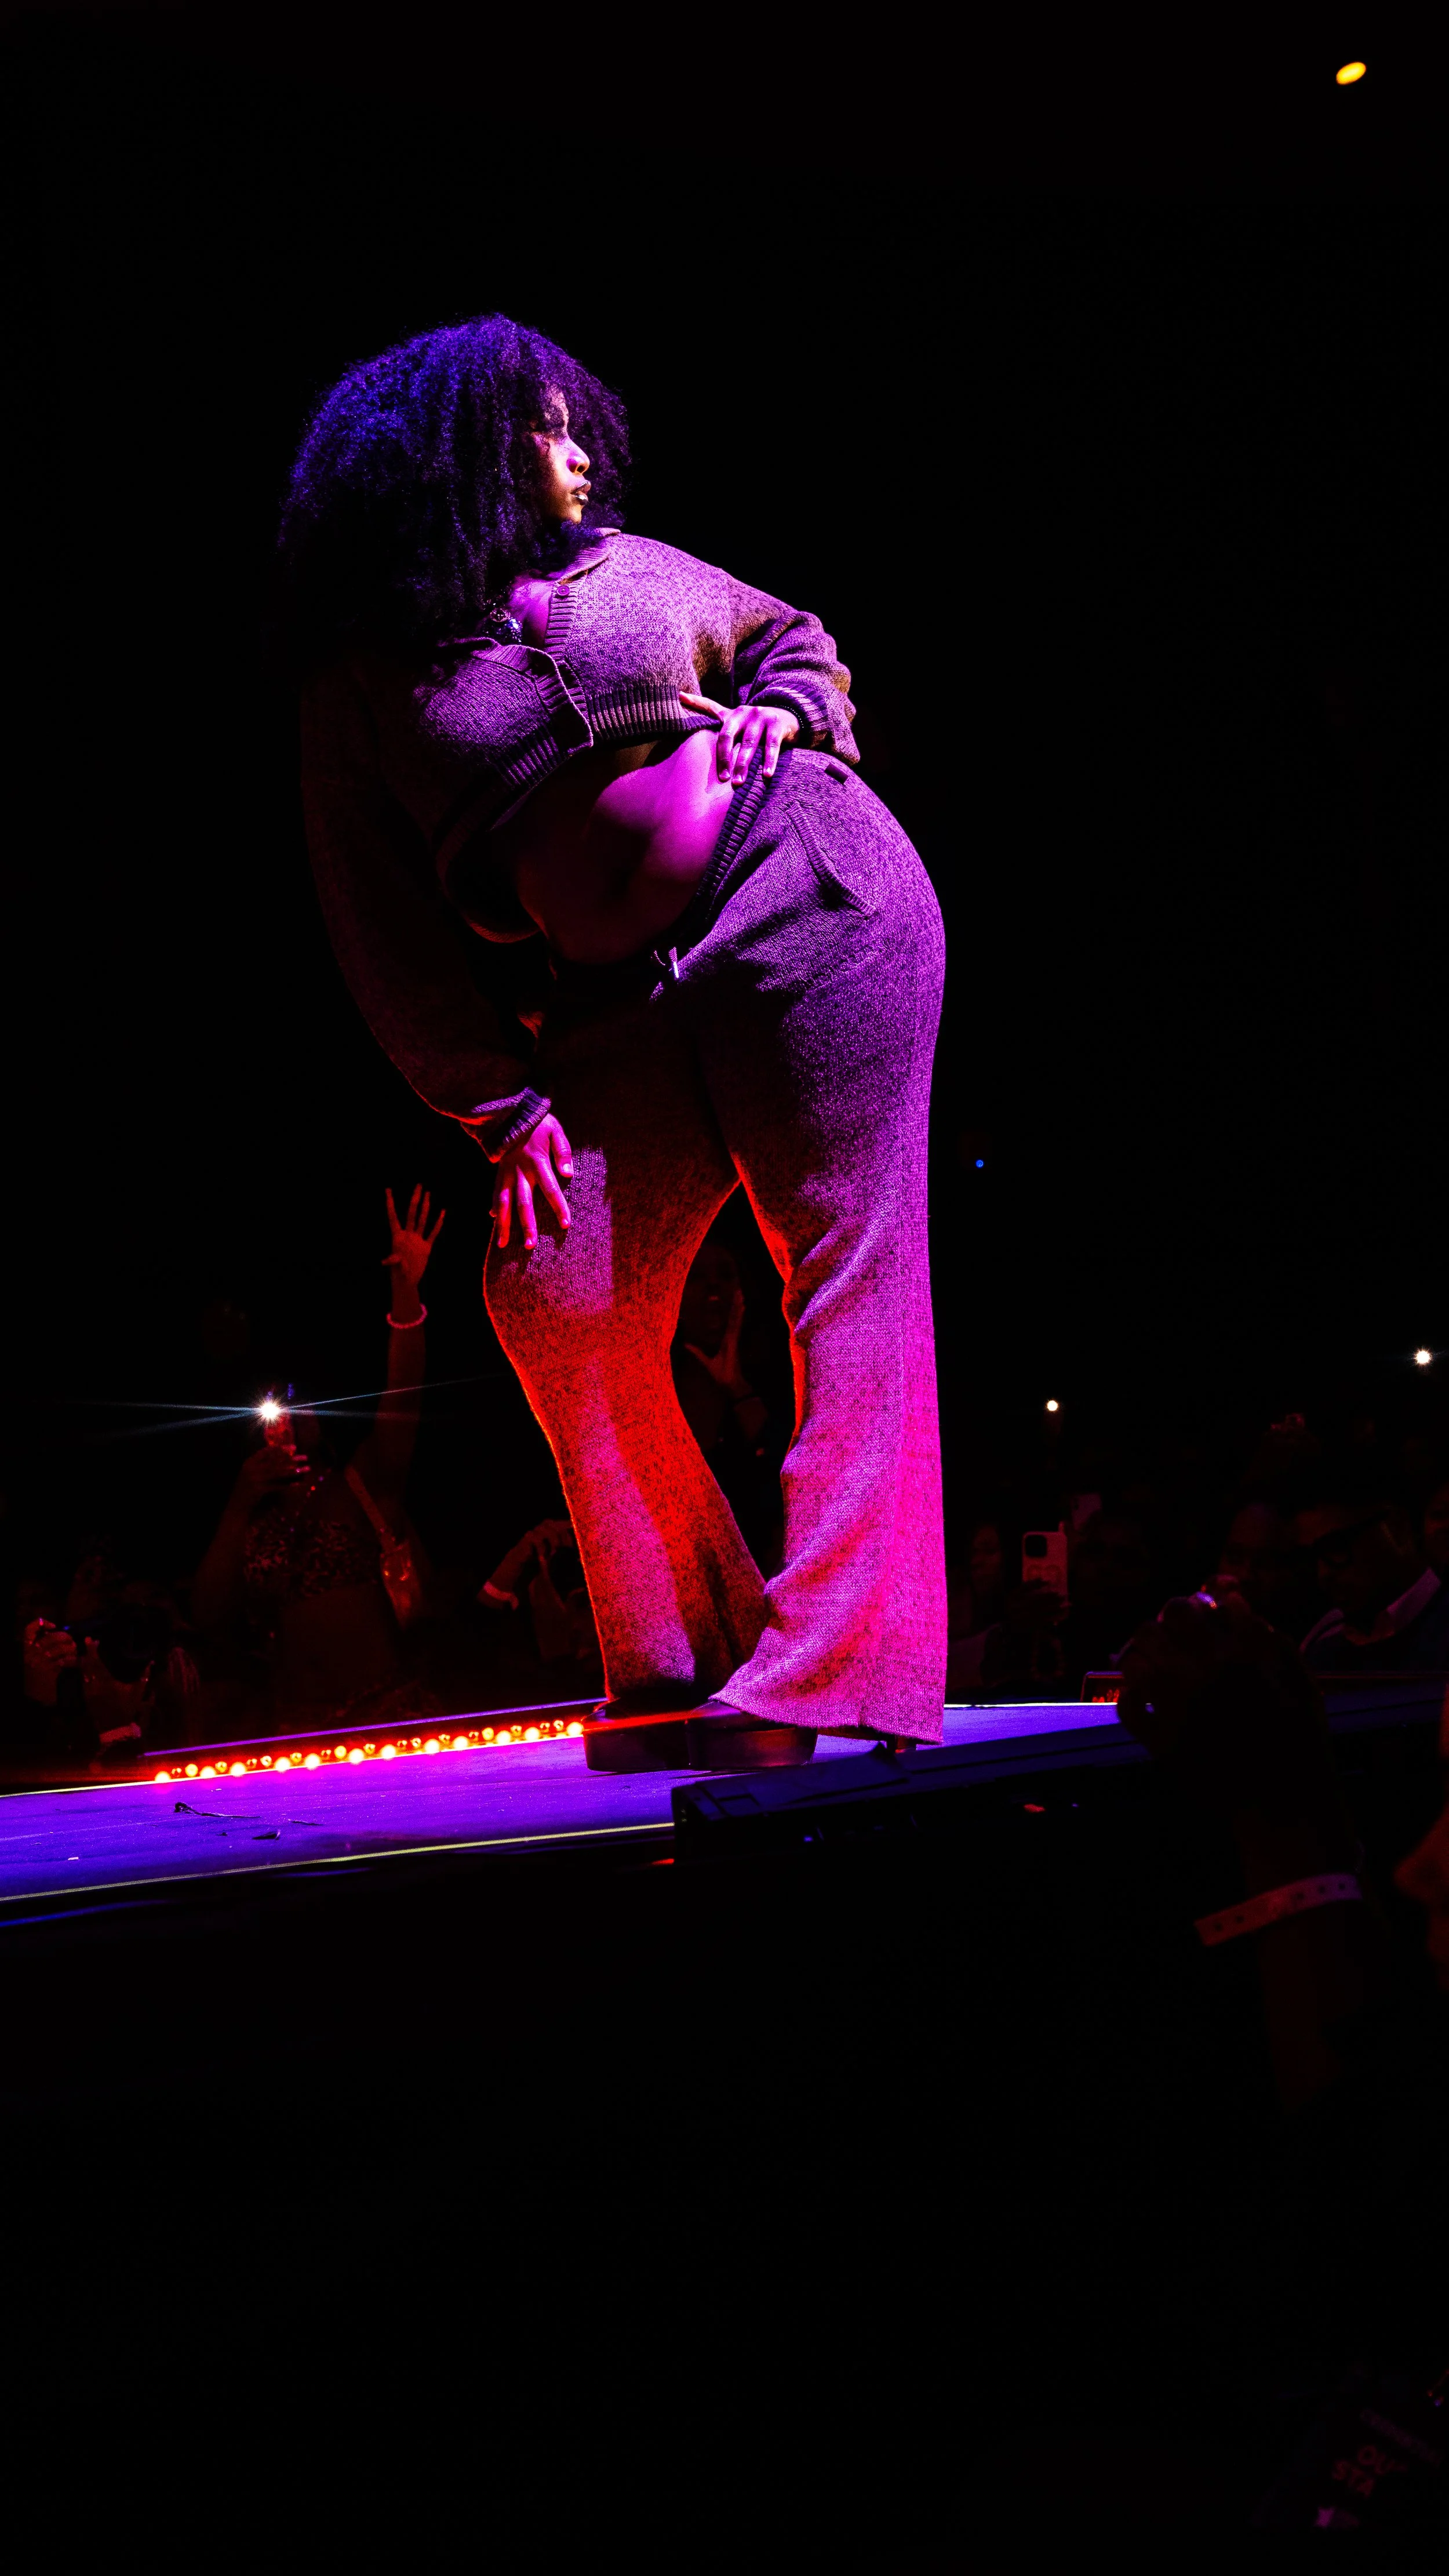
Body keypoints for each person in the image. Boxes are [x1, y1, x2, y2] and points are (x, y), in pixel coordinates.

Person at [282, 315, 946, 1774]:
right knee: (554, 1287)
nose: (583, 453)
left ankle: (832, 1667)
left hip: (814, 891)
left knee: (840, 1251)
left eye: (587, 426)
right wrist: (492, 1098)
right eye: (546, 426)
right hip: (613, 998)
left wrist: (790, 702)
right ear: (447, 453)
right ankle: (681, 1647)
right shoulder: (365, 686)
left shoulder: (635, 572)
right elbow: (375, 924)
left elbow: (794, 634)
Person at [191, 1186, 445, 1732]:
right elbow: (208, 1614)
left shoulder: (362, 1481)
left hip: (385, 1713)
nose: (291, 1419)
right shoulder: (254, 1516)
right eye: (278, 1412)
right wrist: (239, 1501)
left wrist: (405, 1293)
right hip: (297, 1725)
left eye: (302, 1408)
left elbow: (406, 1393)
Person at [671, 1234, 786, 1573]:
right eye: (697, 1275)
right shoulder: (657, 1373)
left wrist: (735, 1384)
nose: (712, 1287)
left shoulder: (778, 1368)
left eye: (724, 1275)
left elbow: (780, 1473)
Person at [1294, 1469, 1449, 1676]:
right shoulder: (1322, 1644)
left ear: (1396, 1528)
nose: (1323, 1575)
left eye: (1337, 1548)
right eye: (1313, 1558)